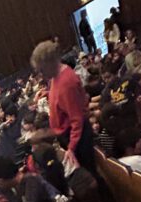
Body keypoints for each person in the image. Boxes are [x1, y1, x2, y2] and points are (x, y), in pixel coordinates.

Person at [30, 41, 95, 170]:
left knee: (88, 173)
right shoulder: (57, 76)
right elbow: (62, 99)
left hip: (77, 138)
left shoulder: (66, 83)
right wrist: (49, 94)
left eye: (42, 69)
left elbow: (77, 119)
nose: (41, 74)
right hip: (69, 135)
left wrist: (71, 148)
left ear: (50, 63)